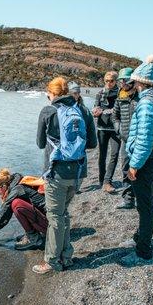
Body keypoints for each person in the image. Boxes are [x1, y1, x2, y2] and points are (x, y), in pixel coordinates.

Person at [32, 77, 97, 274]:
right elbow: (92, 143)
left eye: (48, 93)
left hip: (56, 173)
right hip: (77, 173)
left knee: (55, 217)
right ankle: (66, 256)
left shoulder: (48, 111)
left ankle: (52, 260)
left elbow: (40, 144)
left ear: (51, 93)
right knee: (63, 213)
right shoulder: (82, 110)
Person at [119, 55, 153, 265]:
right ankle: (140, 238)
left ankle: (143, 251)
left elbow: (144, 139)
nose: (132, 85)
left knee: (145, 205)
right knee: (148, 202)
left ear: (141, 82)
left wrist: (134, 165)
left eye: (134, 81)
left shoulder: (147, 104)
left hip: (145, 160)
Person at [0, 168, 48, 250]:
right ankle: (33, 234)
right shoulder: (17, 185)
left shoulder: (17, 190)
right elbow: (6, 215)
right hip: (47, 219)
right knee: (14, 205)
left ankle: (36, 240)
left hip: (51, 225)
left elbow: (3, 214)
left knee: (16, 204)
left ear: (3, 186)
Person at [112, 67, 139, 209]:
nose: (121, 84)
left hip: (140, 141)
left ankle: (142, 199)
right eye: (120, 82)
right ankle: (128, 200)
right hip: (125, 139)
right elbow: (114, 116)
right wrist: (119, 130)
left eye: (123, 81)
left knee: (140, 170)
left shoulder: (140, 98)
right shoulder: (120, 97)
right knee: (125, 169)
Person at [92, 71, 120, 193]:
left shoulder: (121, 93)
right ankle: (101, 179)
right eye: (106, 81)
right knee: (102, 155)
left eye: (111, 81)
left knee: (114, 154)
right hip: (102, 128)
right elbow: (95, 107)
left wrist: (105, 111)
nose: (109, 83)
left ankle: (108, 181)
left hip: (115, 128)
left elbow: (120, 110)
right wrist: (95, 112)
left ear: (116, 81)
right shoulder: (100, 93)